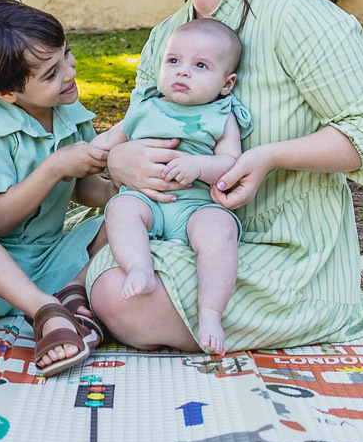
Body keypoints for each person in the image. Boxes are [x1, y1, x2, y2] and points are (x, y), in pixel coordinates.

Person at [87, 0, 363, 352]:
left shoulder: (295, 14)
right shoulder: (167, 37)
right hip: (181, 237)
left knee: (118, 295)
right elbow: (140, 130)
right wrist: (119, 160)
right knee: (101, 256)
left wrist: (268, 156)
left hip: (288, 262)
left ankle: (83, 304)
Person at [0, 0, 112, 376]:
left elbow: (84, 189)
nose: (69, 72)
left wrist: (121, 190)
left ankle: (73, 294)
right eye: (50, 74)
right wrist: (53, 168)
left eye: (67, 56)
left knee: (130, 213)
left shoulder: (70, 115)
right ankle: (43, 310)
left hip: (52, 258)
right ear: (7, 92)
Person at [93, 18, 250, 354]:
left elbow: (231, 163)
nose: (182, 72)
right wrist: (94, 156)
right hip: (145, 200)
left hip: (195, 205)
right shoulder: (144, 108)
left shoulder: (221, 116)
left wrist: (199, 165)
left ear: (226, 83)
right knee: (120, 209)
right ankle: (139, 267)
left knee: (219, 230)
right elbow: (106, 145)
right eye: (173, 61)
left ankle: (210, 314)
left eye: (200, 65)